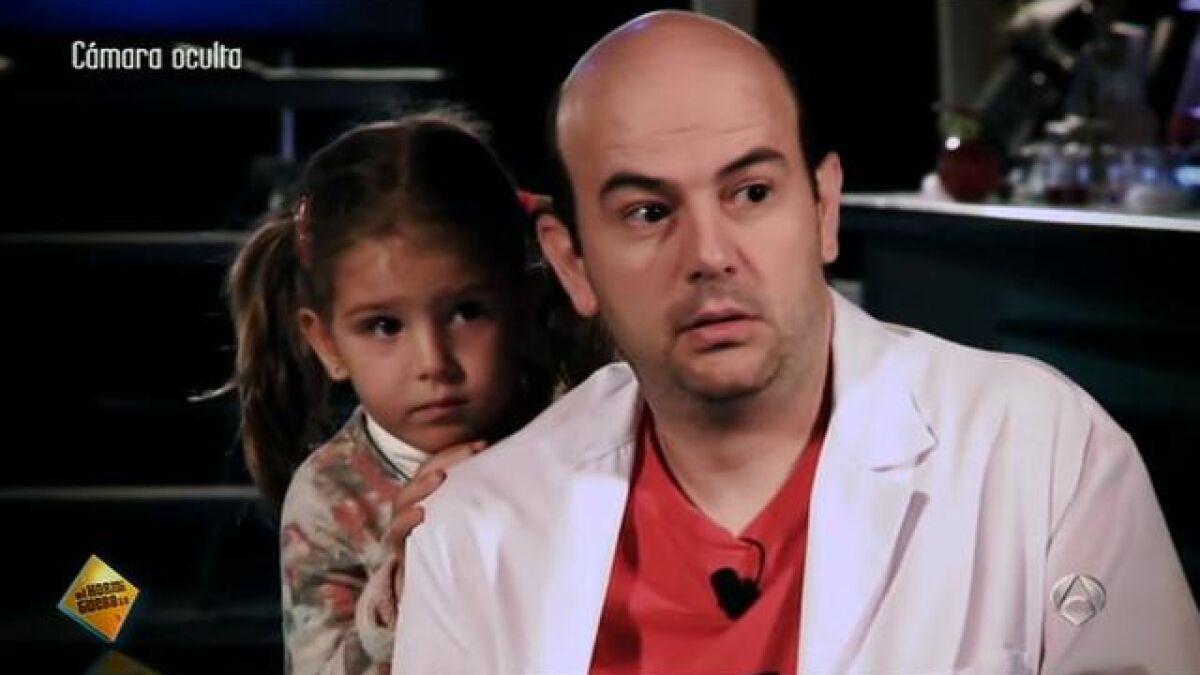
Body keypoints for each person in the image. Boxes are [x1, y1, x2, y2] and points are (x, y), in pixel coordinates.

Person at [393, 11, 1200, 675]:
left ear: (823, 208)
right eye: (648, 212)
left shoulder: (1042, 451)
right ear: (573, 261)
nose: (710, 253)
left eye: (751, 192)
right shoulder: (476, 534)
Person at [224, 109, 581, 674]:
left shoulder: (585, 431)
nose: (433, 363)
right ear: (327, 343)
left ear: (523, 304)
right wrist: (401, 589)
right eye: (385, 326)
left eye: (467, 312)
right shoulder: (329, 499)